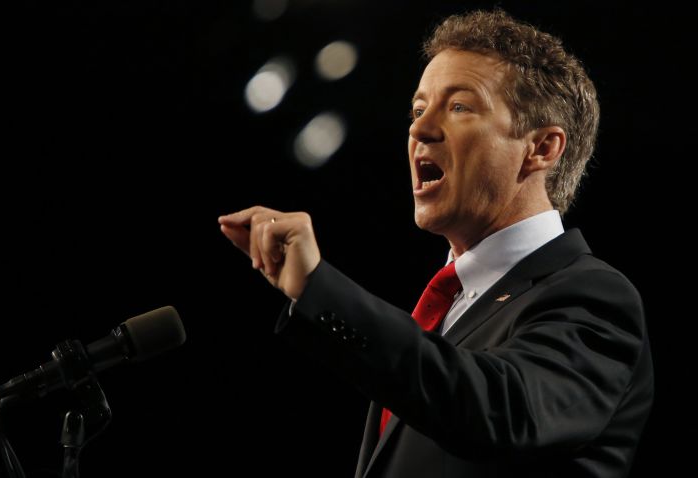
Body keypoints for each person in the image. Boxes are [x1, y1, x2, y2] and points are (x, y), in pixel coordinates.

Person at [218, 9, 653, 478]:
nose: (419, 130)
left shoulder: (593, 297)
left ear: (542, 148)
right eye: (419, 109)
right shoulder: (449, 308)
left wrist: (321, 290)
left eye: (460, 106)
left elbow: (500, 411)